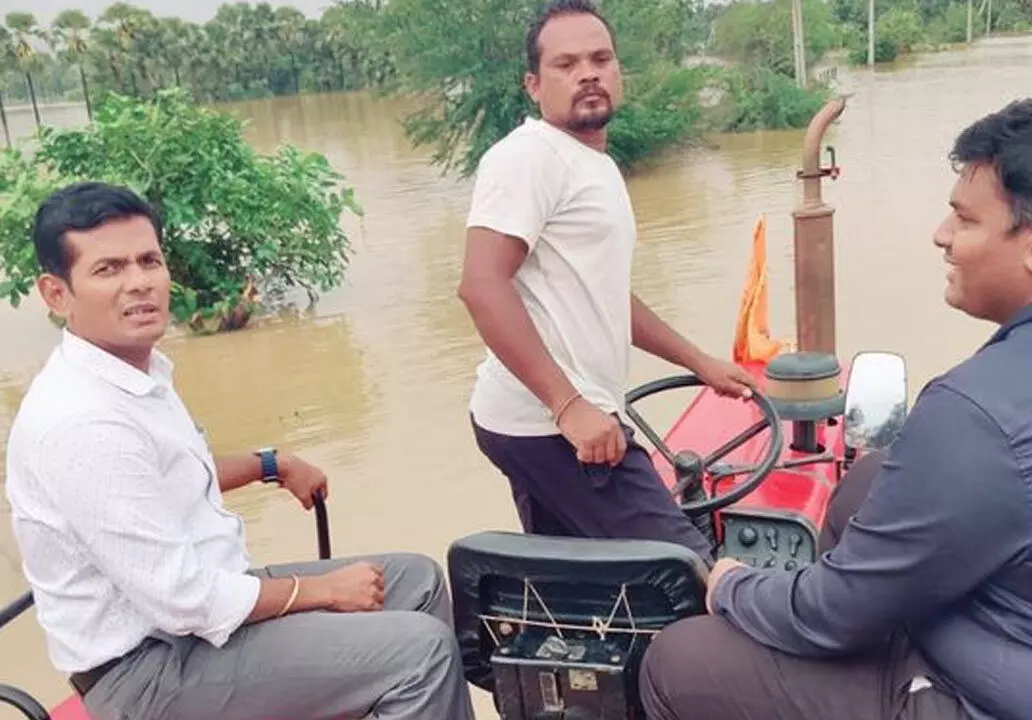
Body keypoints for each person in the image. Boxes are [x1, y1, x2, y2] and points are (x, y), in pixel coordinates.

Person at [637, 93, 1032, 720]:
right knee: (869, 484)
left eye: (964, 219)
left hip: (1002, 700)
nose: (942, 236)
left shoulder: (980, 409)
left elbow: (831, 615)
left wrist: (734, 585)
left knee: (682, 657)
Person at [4, 182, 476, 720]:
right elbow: (185, 599)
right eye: (108, 269)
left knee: (412, 580)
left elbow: (174, 476)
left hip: (198, 620)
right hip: (150, 672)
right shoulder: (80, 421)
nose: (139, 283)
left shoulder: (135, 374)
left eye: (148, 260)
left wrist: (268, 465)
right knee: (422, 653)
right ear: (56, 293)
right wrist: (320, 590)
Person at [457, 0, 753, 565]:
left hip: (533, 421)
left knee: (574, 584)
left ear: (619, 72)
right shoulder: (528, 158)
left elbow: (607, 294)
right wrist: (570, 408)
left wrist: (700, 363)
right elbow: (481, 285)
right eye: (566, 64)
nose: (588, 73)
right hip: (550, 426)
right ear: (533, 86)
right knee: (689, 569)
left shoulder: (593, 163)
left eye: (600, 58)